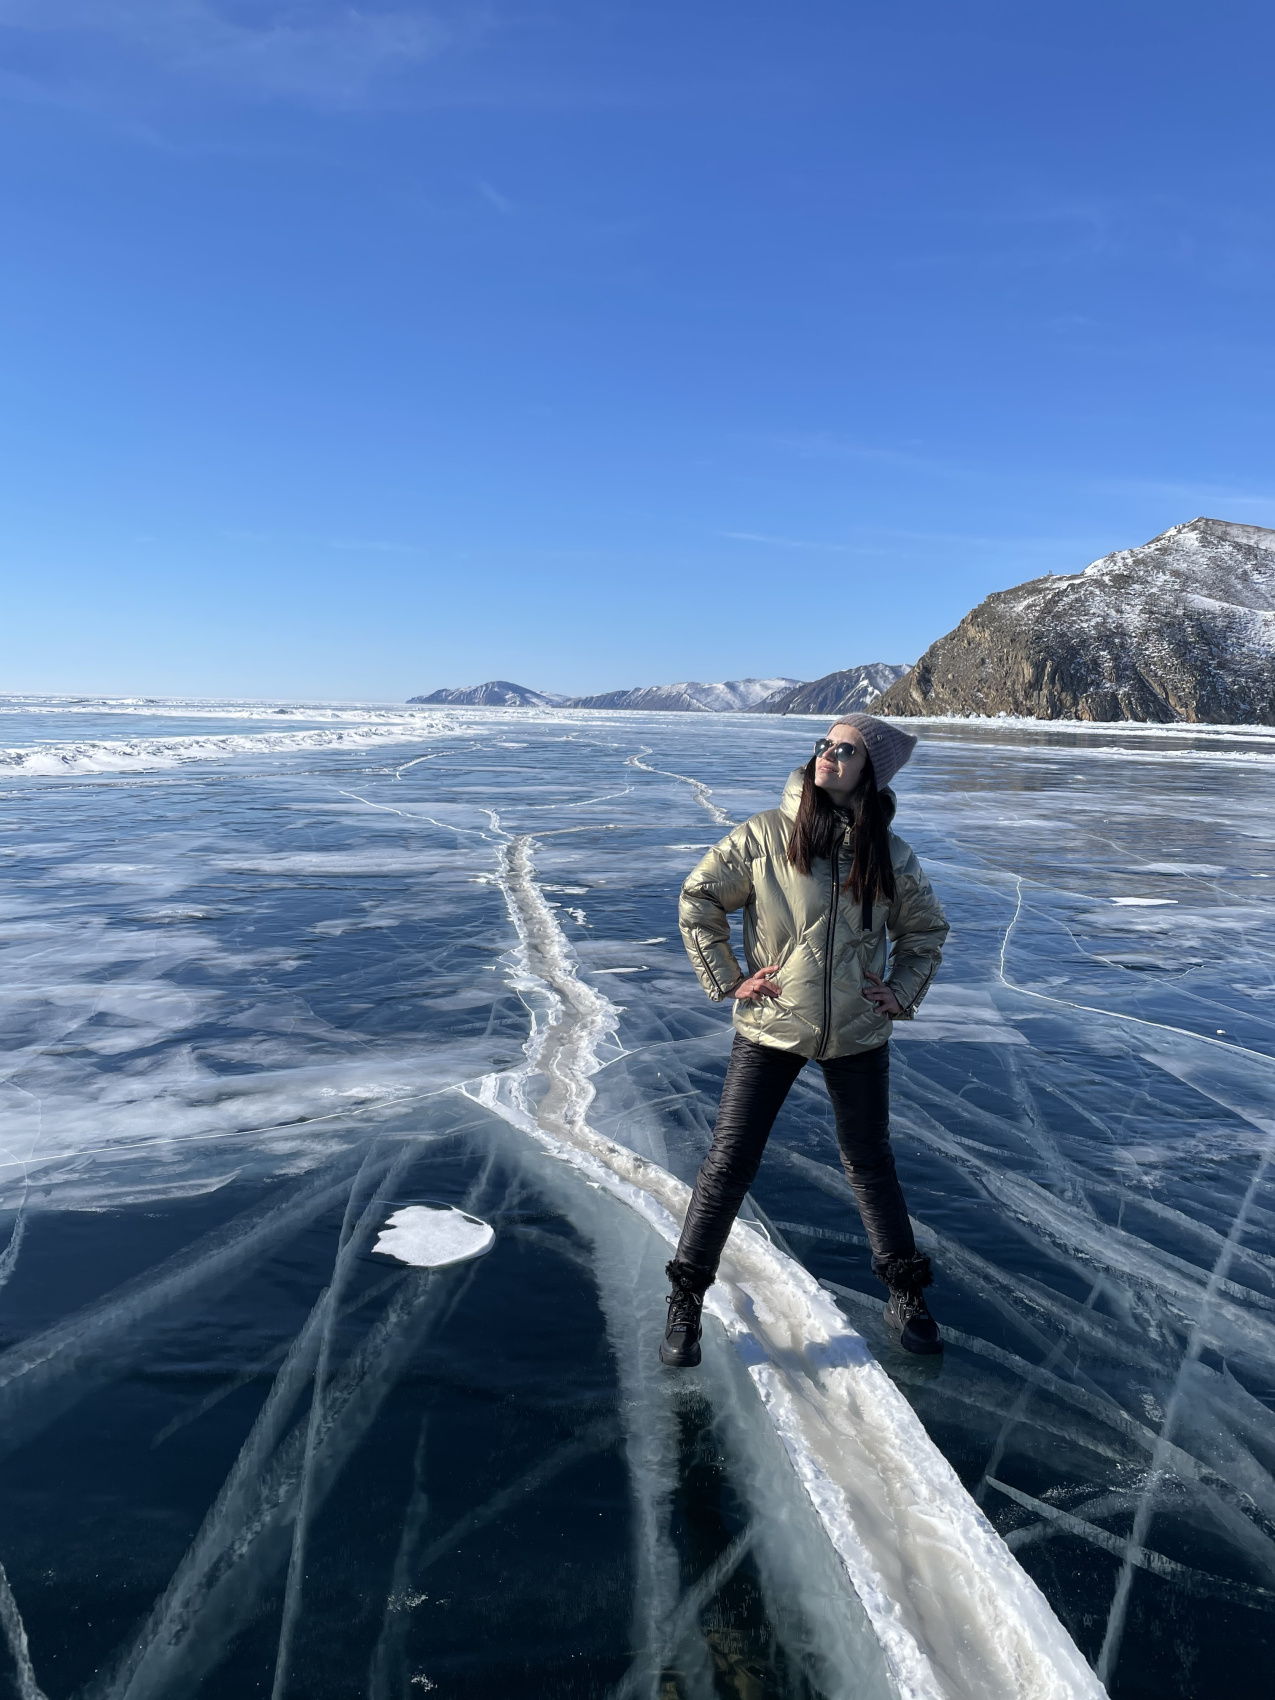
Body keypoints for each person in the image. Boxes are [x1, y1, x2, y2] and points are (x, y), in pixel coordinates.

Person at [662, 714, 949, 1367]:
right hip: (772, 1022)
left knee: (869, 1162)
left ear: (869, 770)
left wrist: (900, 992)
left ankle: (905, 1295)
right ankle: (686, 1301)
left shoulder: (888, 852)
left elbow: (924, 930)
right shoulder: (766, 835)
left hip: (857, 1030)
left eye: (845, 749)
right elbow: (699, 898)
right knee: (729, 1161)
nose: (827, 755)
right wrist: (727, 978)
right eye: (824, 744)